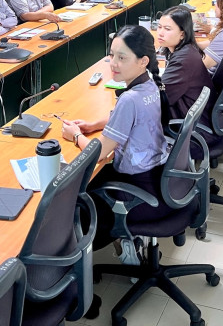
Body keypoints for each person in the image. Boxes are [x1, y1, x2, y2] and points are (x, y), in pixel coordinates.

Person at [60, 25, 169, 250]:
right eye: (111, 55)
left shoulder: (130, 99)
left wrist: (76, 135)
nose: (113, 63)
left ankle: (96, 250)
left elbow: (99, 154)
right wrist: (93, 125)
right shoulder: (150, 84)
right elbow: (125, 117)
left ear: (143, 61)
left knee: (75, 193)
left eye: (122, 58)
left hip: (137, 191)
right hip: (156, 178)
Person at [157, 7, 214, 128]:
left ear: (182, 34)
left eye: (167, 29)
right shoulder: (186, 49)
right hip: (189, 114)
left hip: (188, 124)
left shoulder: (183, 61)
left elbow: (159, 98)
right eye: (159, 27)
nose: (160, 33)